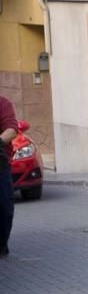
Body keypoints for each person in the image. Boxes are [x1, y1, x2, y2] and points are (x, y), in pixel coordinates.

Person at [0, 95, 18, 257]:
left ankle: (1, 242)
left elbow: (12, 129)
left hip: (0, 163)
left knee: (5, 207)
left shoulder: (2, 103)